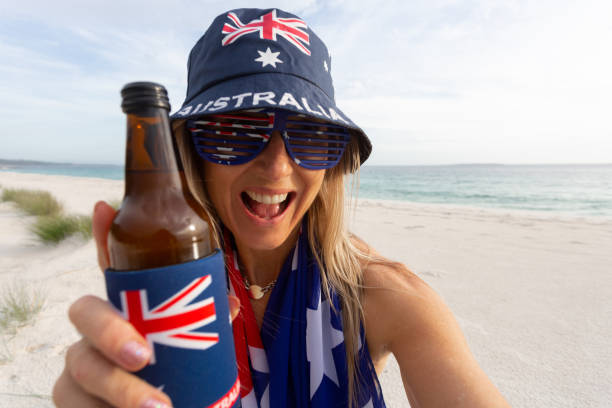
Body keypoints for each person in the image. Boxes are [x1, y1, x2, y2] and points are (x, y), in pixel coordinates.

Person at [52, 8, 510, 408]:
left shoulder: (386, 299)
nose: (276, 168)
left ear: (333, 166)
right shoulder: (176, 284)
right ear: (189, 151)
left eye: (312, 136)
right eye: (234, 129)